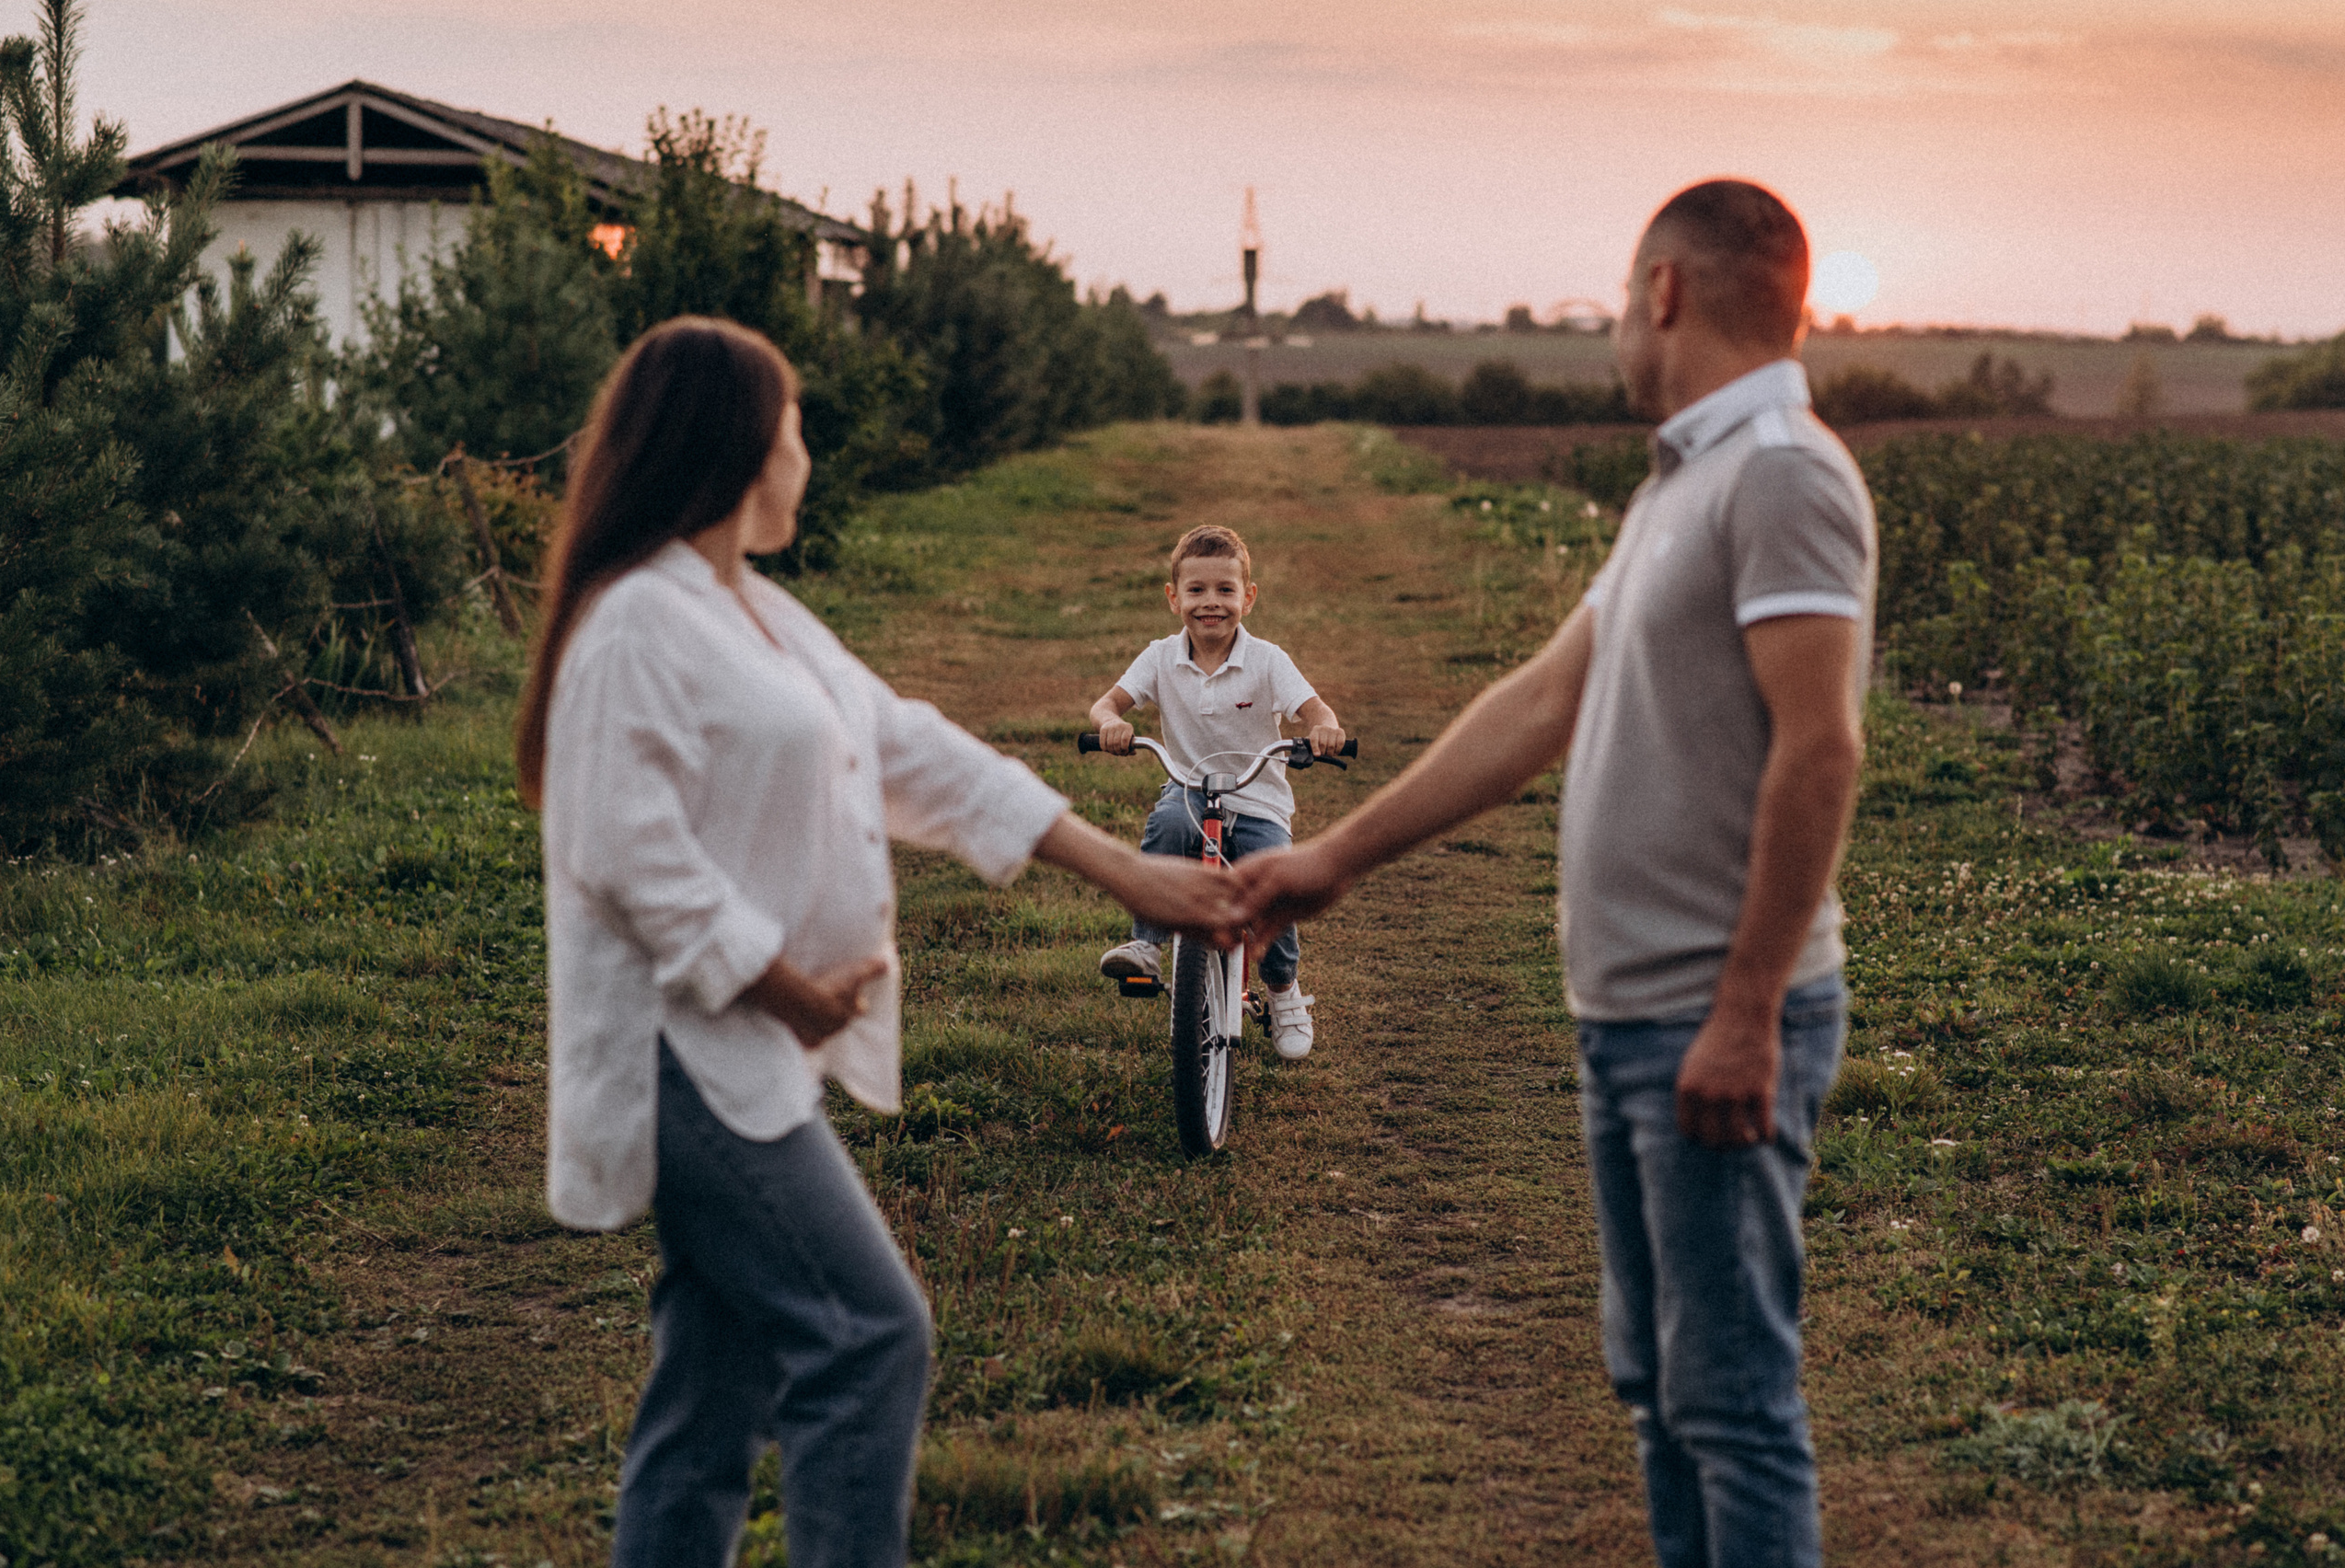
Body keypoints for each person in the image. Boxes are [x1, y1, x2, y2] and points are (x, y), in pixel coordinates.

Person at [514, 317, 1235, 1568]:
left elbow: (908, 748)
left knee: (712, 1396)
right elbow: (623, 851)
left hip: (739, 1052)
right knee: (869, 1334)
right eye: (795, 433)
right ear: (741, 448)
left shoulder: (753, 612)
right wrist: (784, 987)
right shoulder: (637, 623)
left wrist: (1131, 874)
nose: (806, 459)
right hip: (688, 1059)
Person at [1230, 180, 1874, 1567]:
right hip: (1634, 1016)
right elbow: (1540, 702)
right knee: (1658, 1391)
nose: (1615, 339)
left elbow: (1821, 750)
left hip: (1712, 1015)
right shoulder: (1688, 483)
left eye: (1617, 303)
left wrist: (1750, 1008)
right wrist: (1333, 855)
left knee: (1733, 1404)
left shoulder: (1783, 471)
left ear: (1664, 292)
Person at [1089, 525, 1346, 1058]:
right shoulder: (1160, 657)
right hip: (1188, 790)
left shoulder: (1269, 660)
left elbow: (1314, 709)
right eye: (1197, 590)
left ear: (1247, 598)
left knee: (1274, 884)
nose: (1211, 603)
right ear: (1173, 598)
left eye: (1226, 590)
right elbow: (1106, 705)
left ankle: (1282, 991)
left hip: (1257, 799)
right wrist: (1110, 722)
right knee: (1166, 828)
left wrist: (1323, 727)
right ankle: (1147, 943)